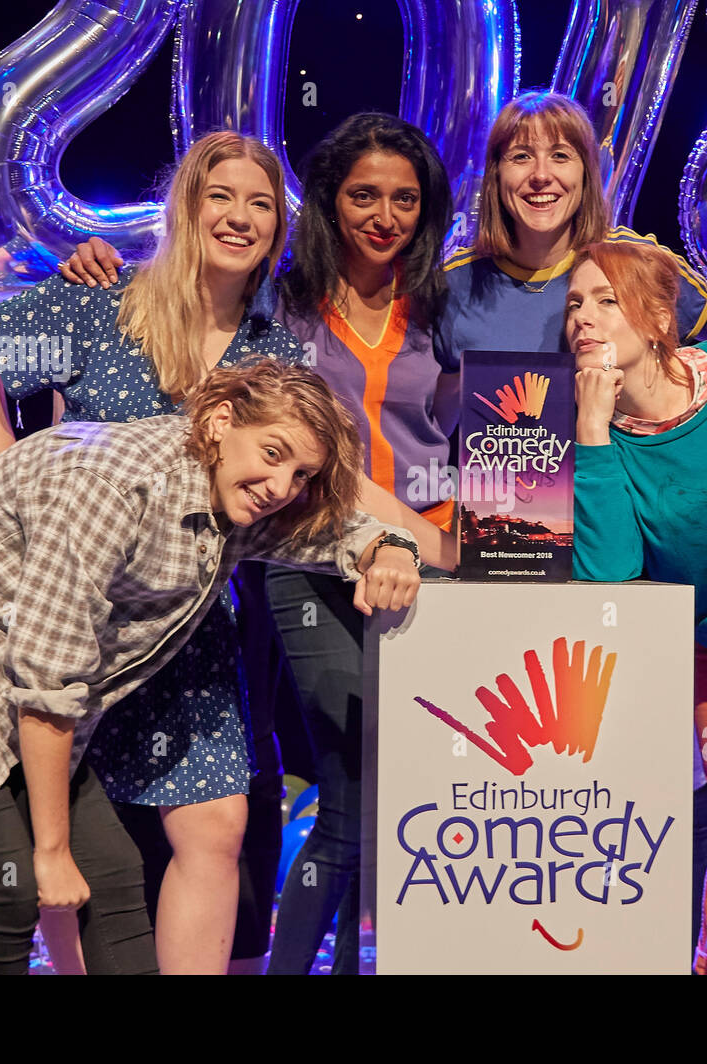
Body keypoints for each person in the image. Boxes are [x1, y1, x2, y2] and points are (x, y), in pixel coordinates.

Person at [0, 361, 421, 975]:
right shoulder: (114, 487)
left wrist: (390, 549)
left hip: (16, 672)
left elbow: (332, 534)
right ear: (222, 422)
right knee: (8, 890)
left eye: (300, 473)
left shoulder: (231, 495)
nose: (281, 485)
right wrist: (52, 849)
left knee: (113, 878)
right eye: (273, 454)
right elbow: (48, 679)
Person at [263, 112, 456, 975]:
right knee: (350, 786)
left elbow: (471, 438)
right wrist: (95, 265)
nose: (385, 215)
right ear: (331, 202)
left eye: (405, 199)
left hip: (423, 562)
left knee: (404, 789)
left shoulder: (448, 303)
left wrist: (431, 543)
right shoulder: (281, 302)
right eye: (364, 195)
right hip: (308, 562)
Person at [566, 240, 707, 973]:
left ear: (657, 316)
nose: (584, 317)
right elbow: (610, 576)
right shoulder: (598, 437)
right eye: (574, 304)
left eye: (605, 300)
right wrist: (591, 431)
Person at [432, 90, 707, 432]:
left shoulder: (631, 260)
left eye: (560, 155)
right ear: (496, 175)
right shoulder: (454, 282)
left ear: (586, 173)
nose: (541, 175)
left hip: (626, 482)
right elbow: (434, 421)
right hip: (498, 484)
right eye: (520, 157)